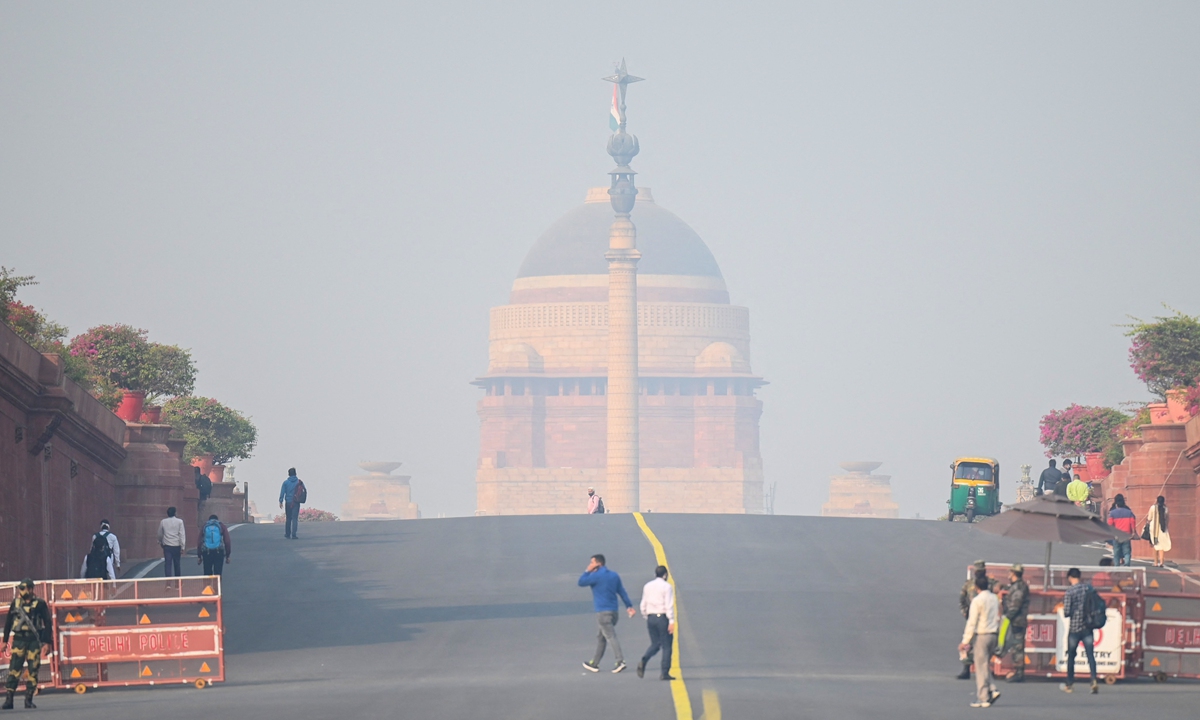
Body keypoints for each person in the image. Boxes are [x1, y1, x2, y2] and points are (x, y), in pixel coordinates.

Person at [578, 554, 635, 673]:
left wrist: (587, 571)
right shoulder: (614, 575)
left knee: (610, 636)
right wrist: (629, 606)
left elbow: (581, 582)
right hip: (614, 612)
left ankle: (620, 661)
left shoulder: (595, 576)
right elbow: (622, 592)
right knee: (601, 637)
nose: (590, 565)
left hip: (602, 612)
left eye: (592, 563)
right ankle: (595, 663)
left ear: (598, 564)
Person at [2, 579, 52, 709]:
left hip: (34, 640)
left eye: (24, 588)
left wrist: (47, 642)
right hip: (19, 640)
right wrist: (5, 641)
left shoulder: (40, 604)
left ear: (31, 589)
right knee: (14, 669)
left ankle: (28, 699)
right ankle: (9, 699)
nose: (22, 591)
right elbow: (8, 622)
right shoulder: (16, 604)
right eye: (21, 588)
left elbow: (47, 623)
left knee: (33, 669)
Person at [959, 574, 1001, 708]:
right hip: (994, 634)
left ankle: (983, 697)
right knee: (985, 664)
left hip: (982, 635)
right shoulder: (994, 598)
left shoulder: (977, 600)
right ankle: (993, 689)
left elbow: (972, 622)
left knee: (980, 666)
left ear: (976, 587)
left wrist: (965, 641)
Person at [957, 561, 998, 679]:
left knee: (983, 648)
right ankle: (966, 668)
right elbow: (962, 599)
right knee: (968, 645)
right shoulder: (969, 584)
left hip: (985, 622)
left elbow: (1000, 590)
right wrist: (965, 613)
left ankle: (987, 673)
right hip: (973, 618)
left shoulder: (990, 583)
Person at [1060, 567, 1099, 694]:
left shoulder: (1070, 592)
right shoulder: (1088, 588)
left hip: (1075, 628)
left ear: (1070, 577)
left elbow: (1066, 612)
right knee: (1090, 655)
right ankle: (1093, 680)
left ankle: (1069, 684)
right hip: (1088, 626)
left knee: (1071, 655)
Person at [637, 565, 675, 681]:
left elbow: (643, 603)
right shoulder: (667, 587)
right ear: (665, 575)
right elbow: (669, 605)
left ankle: (645, 658)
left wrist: (645, 615)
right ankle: (664, 672)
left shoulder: (647, 586)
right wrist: (671, 621)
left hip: (651, 617)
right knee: (667, 646)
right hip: (662, 618)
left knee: (655, 643)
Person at [1001, 564, 1029, 683]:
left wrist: (1007, 617)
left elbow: (1015, 606)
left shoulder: (1018, 588)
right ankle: (1017, 670)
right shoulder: (1017, 586)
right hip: (1016, 620)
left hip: (1017, 620)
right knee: (1015, 646)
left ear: (1013, 573)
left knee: (1017, 646)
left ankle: (1019, 672)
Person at [1106, 494, 1136, 566]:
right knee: (1127, 552)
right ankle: (1127, 565)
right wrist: (1133, 532)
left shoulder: (1113, 513)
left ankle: (1117, 567)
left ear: (1116, 504)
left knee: (1116, 553)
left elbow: (1110, 524)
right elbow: (1133, 523)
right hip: (1126, 535)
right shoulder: (1129, 512)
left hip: (1116, 535)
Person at [157, 506, 186, 577]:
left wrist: (160, 541)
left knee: (168, 564)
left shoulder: (163, 522)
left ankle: (168, 583)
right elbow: (182, 534)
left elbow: (160, 533)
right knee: (177, 564)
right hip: (176, 545)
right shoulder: (180, 521)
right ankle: (177, 582)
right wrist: (183, 546)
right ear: (175, 513)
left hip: (167, 545)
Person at [279, 468, 304, 539]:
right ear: (295, 473)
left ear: (289, 474)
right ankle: (294, 534)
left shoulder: (286, 483)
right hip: (296, 502)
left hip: (288, 502)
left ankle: (287, 533)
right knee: (295, 518)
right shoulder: (299, 482)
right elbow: (303, 490)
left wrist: (281, 501)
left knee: (288, 518)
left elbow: (282, 492)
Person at [1146, 495, 1171, 567]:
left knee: (1155, 544)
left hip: (1154, 528)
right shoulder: (1165, 508)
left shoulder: (1153, 507)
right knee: (1162, 545)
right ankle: (1162, 562)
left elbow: (1149, 518)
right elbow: (1167, 518)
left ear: (1157, 501)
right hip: (1163, 528)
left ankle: (1156, 562)